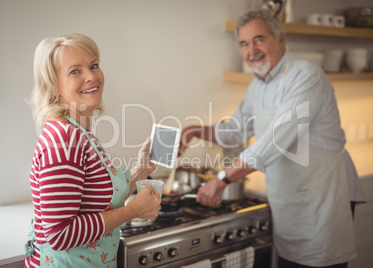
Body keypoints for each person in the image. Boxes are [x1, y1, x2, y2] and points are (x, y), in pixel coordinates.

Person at [179, 9, 365, 268]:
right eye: (244, 44)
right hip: (290, 196)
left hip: (323, 195)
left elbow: (276, 139)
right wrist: (193, 130)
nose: (251, 50)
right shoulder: (258, 85)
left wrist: (222, 179)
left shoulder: (306, 76)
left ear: (280, 39)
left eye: (259, 39)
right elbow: (236, 130)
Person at [24, 33, 161, 268]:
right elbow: (59, 235)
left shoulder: (79, 131)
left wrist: (139, 171)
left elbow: (95, 201)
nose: (91, 76)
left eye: (94, 65)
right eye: (75, 71)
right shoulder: (64, 140)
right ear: (53, 85)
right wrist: (134, 210)